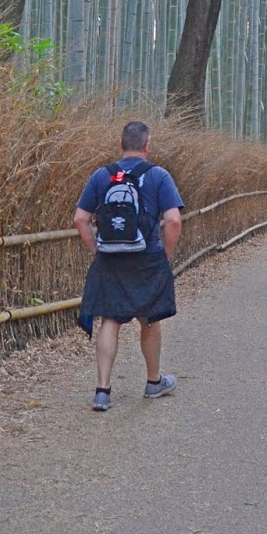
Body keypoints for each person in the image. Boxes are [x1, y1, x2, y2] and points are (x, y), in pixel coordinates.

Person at [73, 121, 184, 412]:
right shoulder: (158, 176)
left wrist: (97, 250)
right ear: (147, 145)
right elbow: (173, 220)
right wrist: (164, 255)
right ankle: (153, 382)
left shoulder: (102, 176)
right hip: (147, 258)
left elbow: (80, 219)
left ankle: (102, 391)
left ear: (121, 144)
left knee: (110, 319)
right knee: (149, 319)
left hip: (110, 258)